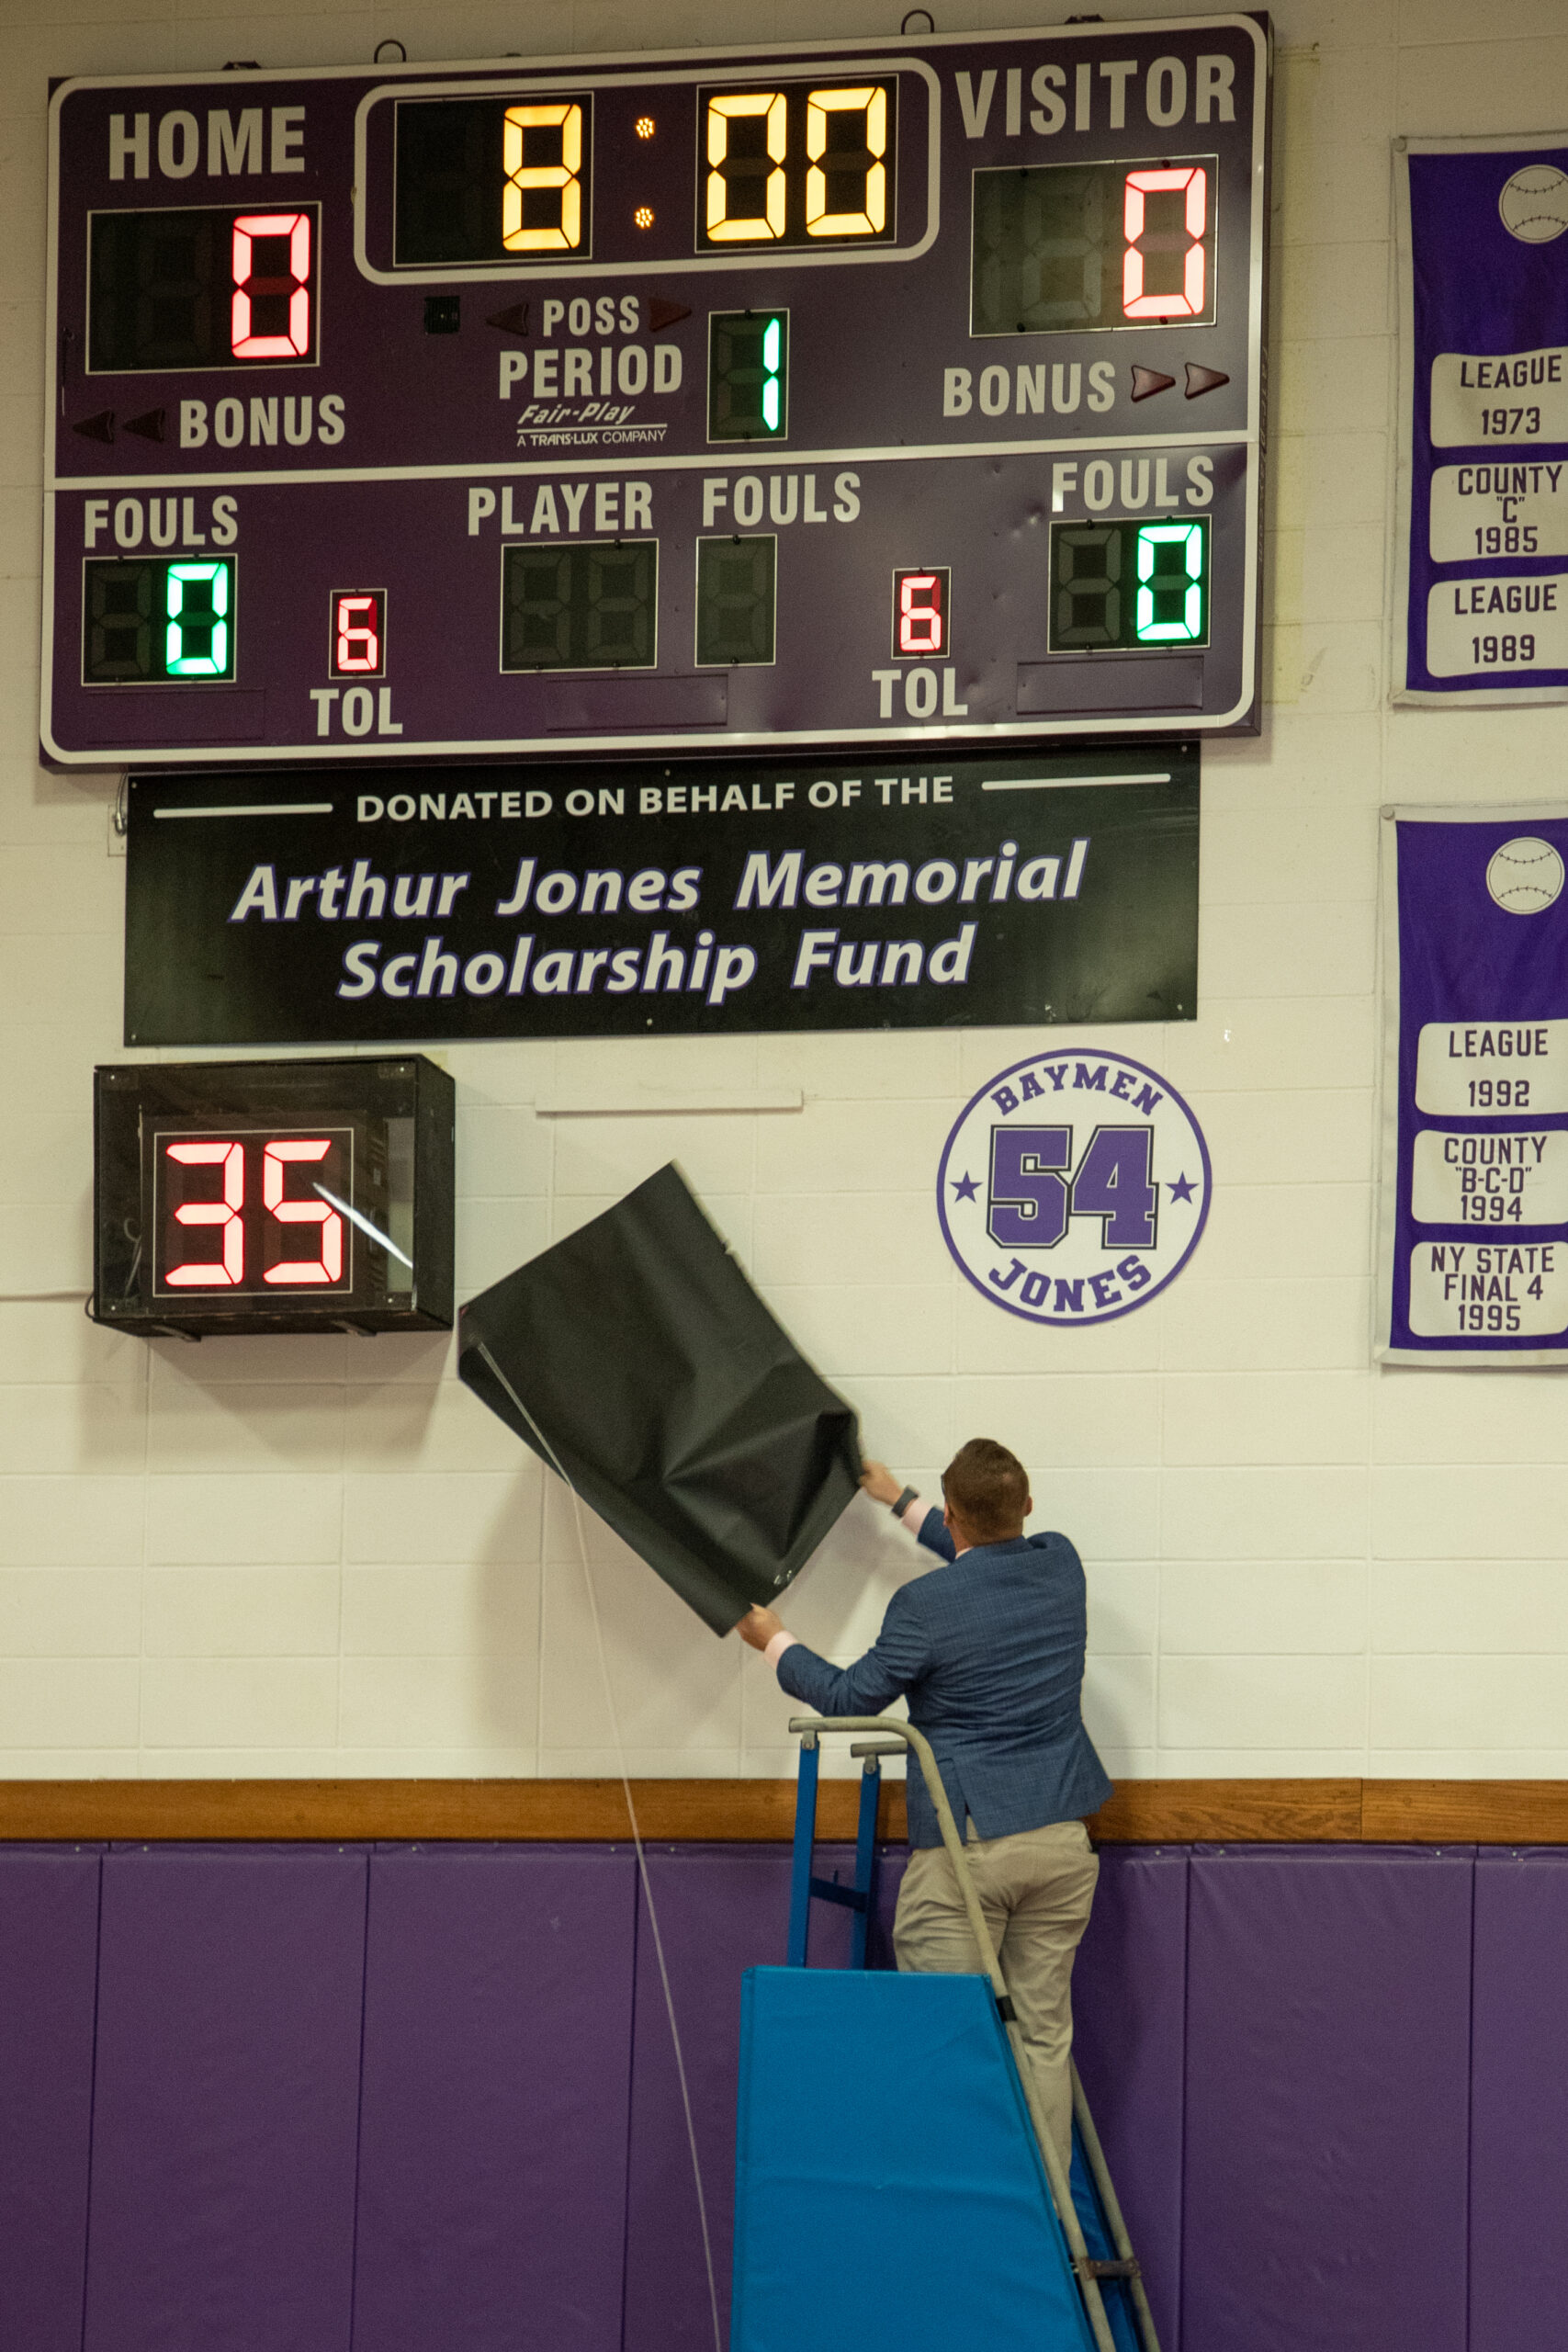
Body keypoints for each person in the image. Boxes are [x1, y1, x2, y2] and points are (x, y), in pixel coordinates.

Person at [738, 1437, 1111, 2175]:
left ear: (952, 1511)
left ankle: (966, 2209)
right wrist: (897, 1501)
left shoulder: (925, 1606)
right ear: (1029, 1506)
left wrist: (773, 1640)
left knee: (950, 2039)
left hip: (968, 1852)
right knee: (1042, 2039)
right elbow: (987, 1555)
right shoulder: (1060, 1564)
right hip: (1062, 1846)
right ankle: (1043, 2216)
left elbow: (849, 1699)